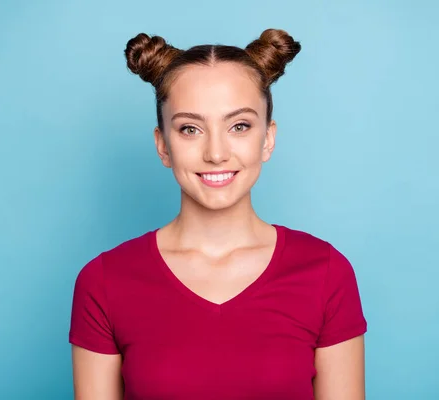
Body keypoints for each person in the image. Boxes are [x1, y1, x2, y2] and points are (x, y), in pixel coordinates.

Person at [69, 28, 367, 400]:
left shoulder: (325, 272)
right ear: (163, 145)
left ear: (268, 139)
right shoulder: (103, 282)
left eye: (239, 126)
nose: (215, 152)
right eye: (190, 129)